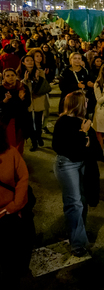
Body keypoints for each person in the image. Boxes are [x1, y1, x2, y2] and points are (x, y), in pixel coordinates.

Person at [52, 91, 101, 257]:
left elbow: (97, 150)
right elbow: (65, 148)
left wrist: (86, 137)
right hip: (67, 164)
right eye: (85, 101)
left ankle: (79, 233)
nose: (87, 104)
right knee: (74, 202)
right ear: (78, 103)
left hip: (82, 163)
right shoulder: (63, 121)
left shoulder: (85, 122)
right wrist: (82, 134)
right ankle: (77, 244)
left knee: (83, 200)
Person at [0, 123, 31, 288]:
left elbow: (23, 178)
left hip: (7, 216)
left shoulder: (10, 153)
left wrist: (14, 206)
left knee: (10, 265)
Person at [19, 54, 50, 151]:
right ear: (23, 63)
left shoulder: (40, 72)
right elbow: (20, 87)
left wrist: (36, 80)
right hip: (27, 101)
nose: (30, 62)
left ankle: (39, 136)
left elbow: (43, 86)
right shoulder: (19, 73)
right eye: (27, 60)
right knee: (29, 123)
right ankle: (34, 142)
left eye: (31, 60)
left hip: (38, 99)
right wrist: (26, 80)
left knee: (38, 121)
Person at [0, 68, 31, 155]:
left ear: (16, 76)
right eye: (7, 76)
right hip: (9, 119)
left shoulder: (23, 87)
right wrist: (5, 100)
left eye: (12, 75)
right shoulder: (1, 89)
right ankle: (12, 160)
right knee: (10, 142)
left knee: (20, 141)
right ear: (4, 78)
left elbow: (28, 103)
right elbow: (2, 105)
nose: (11, 77)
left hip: (22, 118)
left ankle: (18, 160)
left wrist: (21, 99)